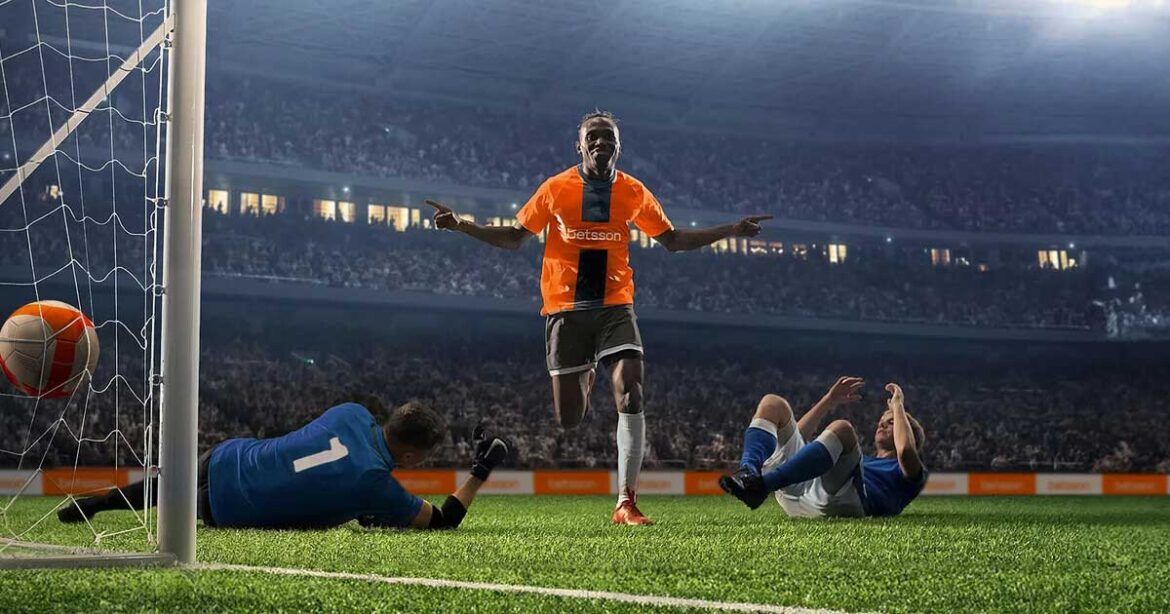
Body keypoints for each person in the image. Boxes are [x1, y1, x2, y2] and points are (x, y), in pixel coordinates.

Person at [425, 110, 771, 525]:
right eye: (593, 136)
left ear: (619, 146)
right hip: (566, 312)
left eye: (609, 137)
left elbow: (673, 240)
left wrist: (731, 230)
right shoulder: (555, 188)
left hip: (614, 307)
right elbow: (515, 237)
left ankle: (626, 501)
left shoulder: (633, 191)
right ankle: (586, 375)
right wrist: (461, 225)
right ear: (579, 145)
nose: (601, 142)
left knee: (631, 392)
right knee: (569, 419)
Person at [58, 397, 510, 530]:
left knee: (166, 486)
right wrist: (481, 470)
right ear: (410, 456)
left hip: (228, 456)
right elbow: (444, 521)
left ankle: (105, 500)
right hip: (228, 510)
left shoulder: (351, 412)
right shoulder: (378, 486)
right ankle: (118, 501)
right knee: (185, 501)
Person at [721, 378, 926, 518]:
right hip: (800, 495)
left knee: (842, 429)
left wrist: (898, 406)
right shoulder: (864, 461)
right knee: (773, 403)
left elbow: (905, 450)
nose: (882, 424)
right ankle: (748, 475)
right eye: (882, 421)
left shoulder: (911, 473)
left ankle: (762, 486)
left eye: (891, 422)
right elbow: (798, 440)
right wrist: (829, 401)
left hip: (842, 503)